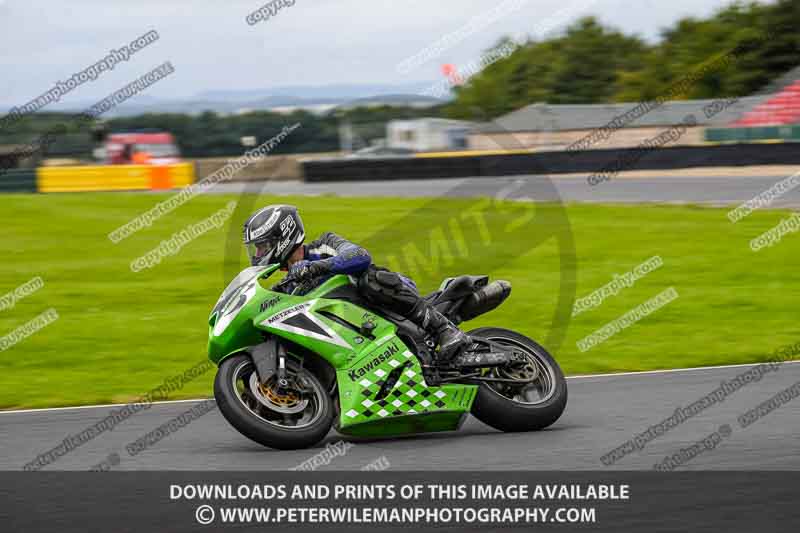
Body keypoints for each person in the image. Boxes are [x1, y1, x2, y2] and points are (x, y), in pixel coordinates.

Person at [243, 204, 470, 363]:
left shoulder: (324, 244)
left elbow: (360, 255)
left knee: (370, 279)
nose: (259, 253)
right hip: (360, 331)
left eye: (263, 246)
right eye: (257, 248)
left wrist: (316, 267)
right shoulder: (288, 286)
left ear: (283, 236)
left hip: (387, 298)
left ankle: (445, 330)